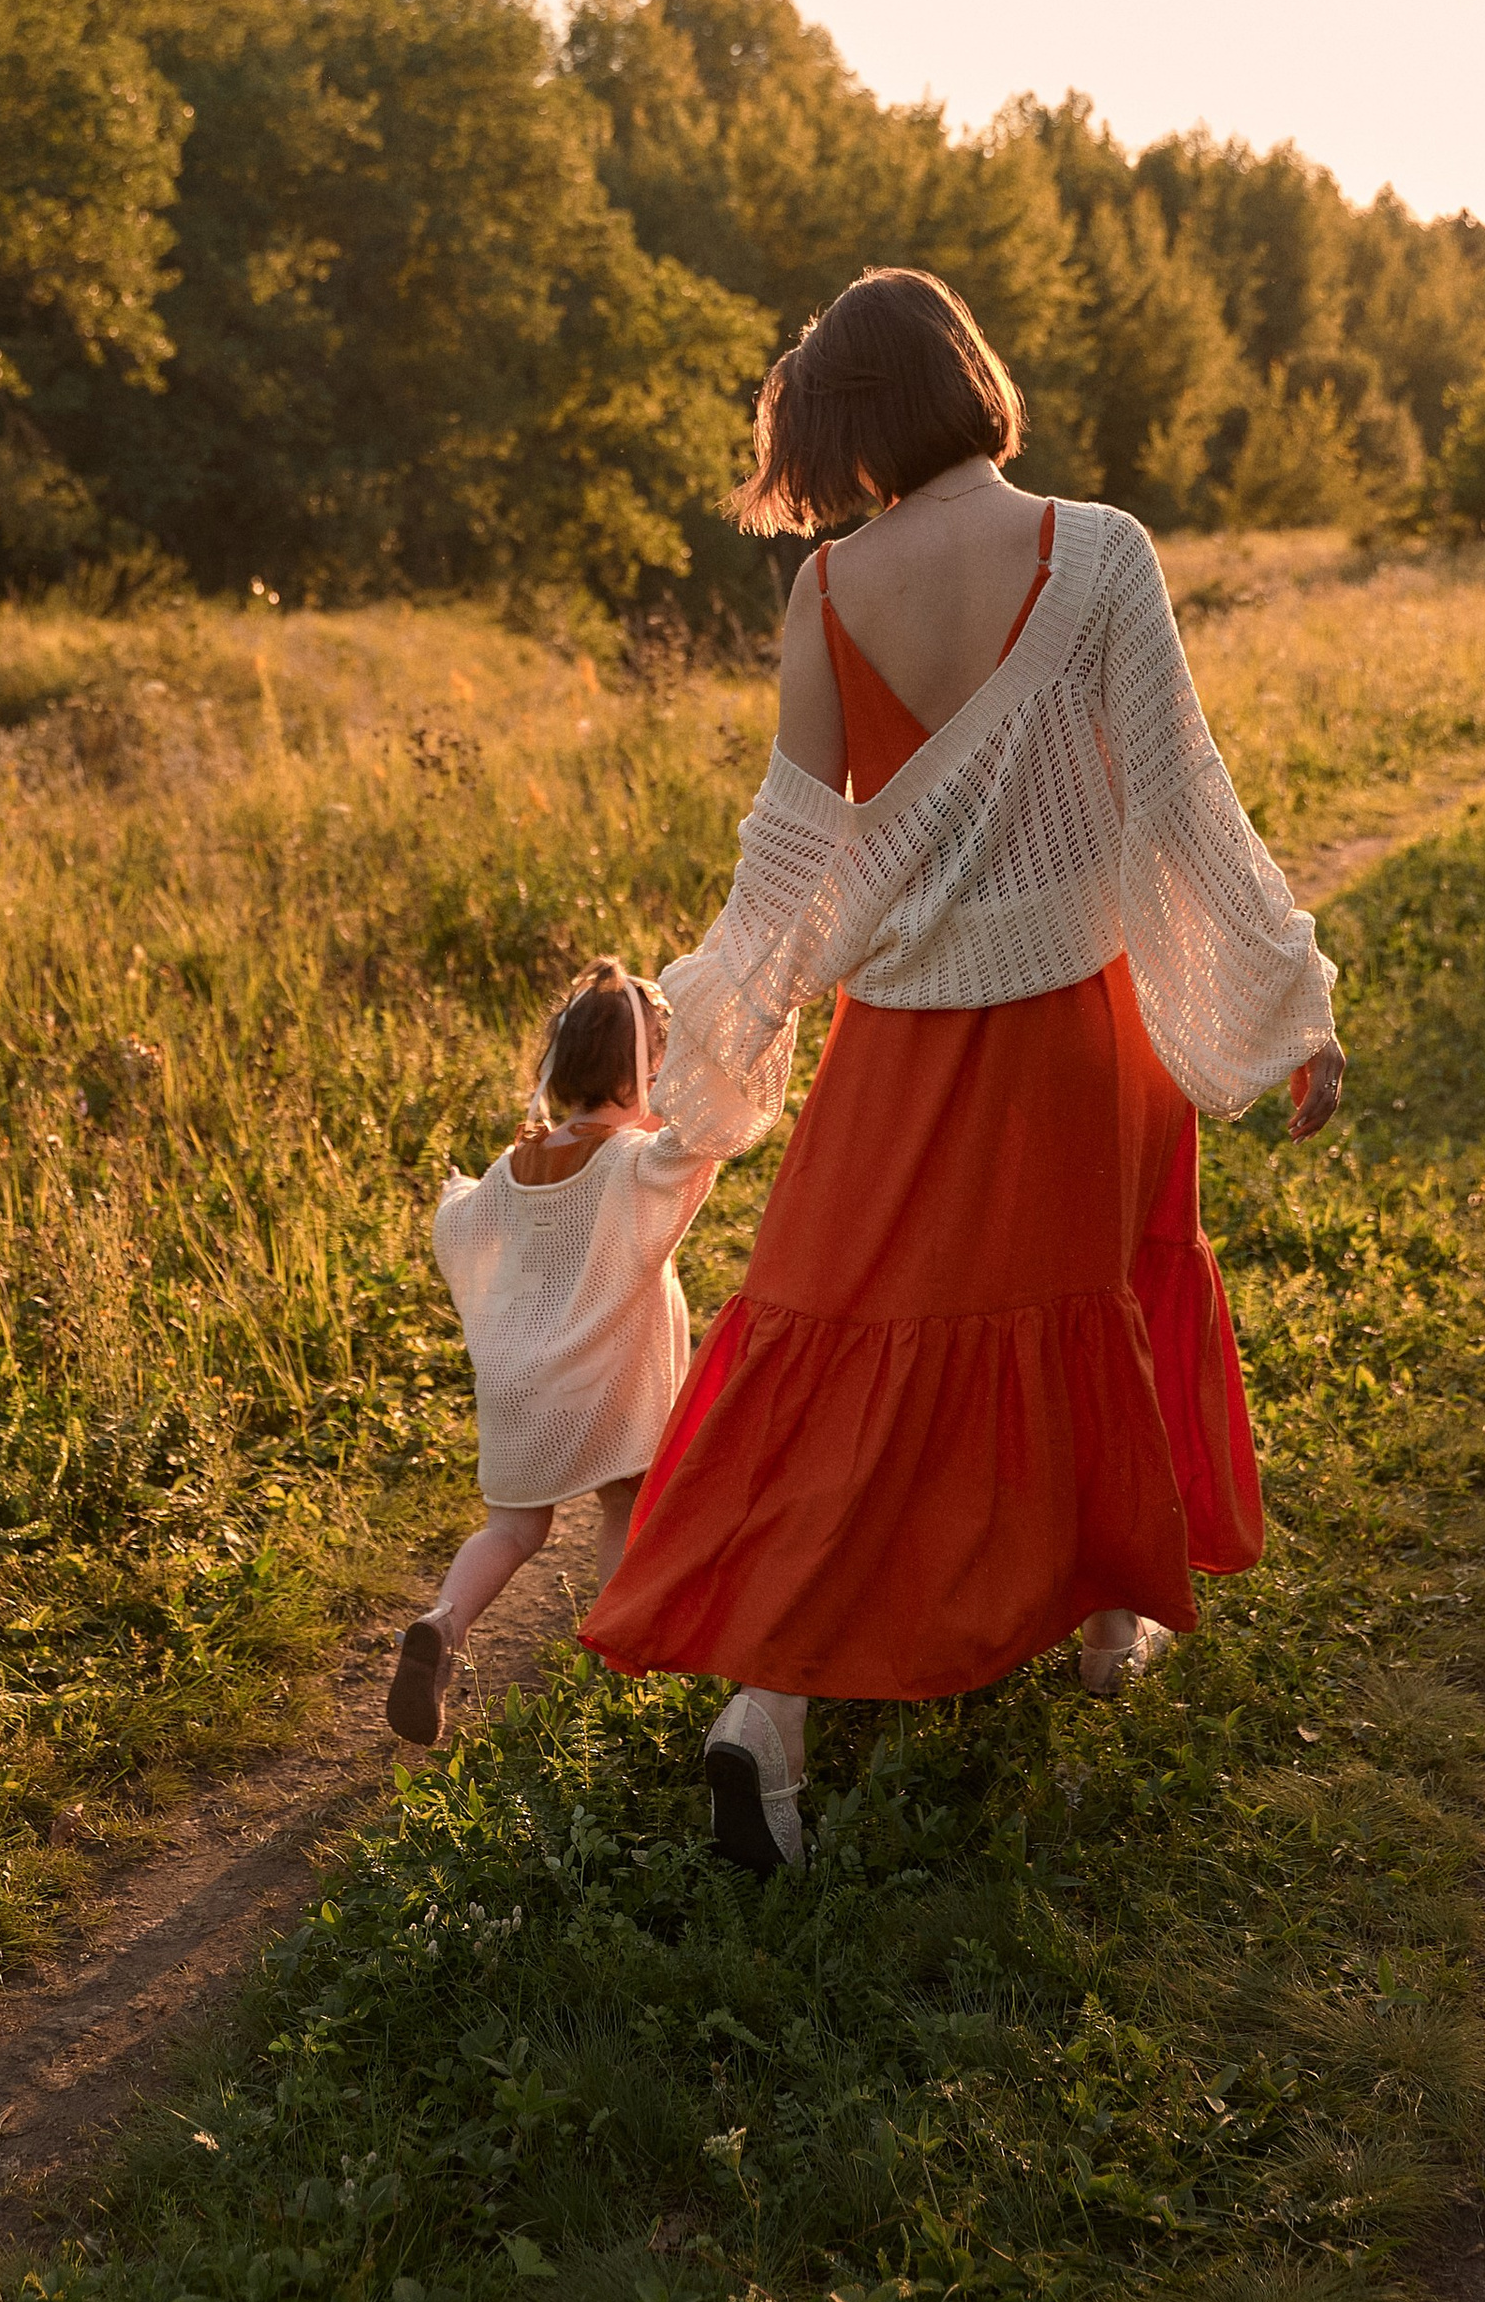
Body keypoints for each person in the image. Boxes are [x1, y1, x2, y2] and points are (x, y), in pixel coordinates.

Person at [583, 268, 1346, 1877]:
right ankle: (1108, 1617)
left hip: (901, 1050)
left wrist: (714, 1017)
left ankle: (768, 1711)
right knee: (1104, 1299)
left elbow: (790, 854)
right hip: (1084, 1030)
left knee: (852, 1335)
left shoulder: (829, 593)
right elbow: (1184, 801)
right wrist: (1291, 1000)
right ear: (970, 379)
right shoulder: (1098, 549)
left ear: (849, 427)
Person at [389, 958, 724, 1745]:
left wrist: (456, 1192)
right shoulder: (630, 1165)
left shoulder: (514, 1164)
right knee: (624, 1502)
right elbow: (697, 1149)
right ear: (647, 1073)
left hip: (523, 1386)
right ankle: (621, 1663)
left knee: (512, 1528)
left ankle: (445, 1622)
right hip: (610, 1379)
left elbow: (463, 1224)